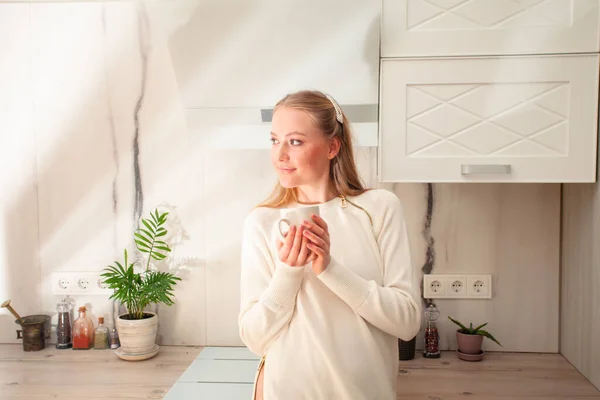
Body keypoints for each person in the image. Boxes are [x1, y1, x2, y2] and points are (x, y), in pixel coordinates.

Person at [238, 90, 422, 400]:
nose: (280, 155)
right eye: (274, 140)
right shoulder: (262, 222)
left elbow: (407, 322)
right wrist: (288, 272)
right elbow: (255, 338)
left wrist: (330, 269)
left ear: (332, 146)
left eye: (295, 141)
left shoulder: (378, 209)